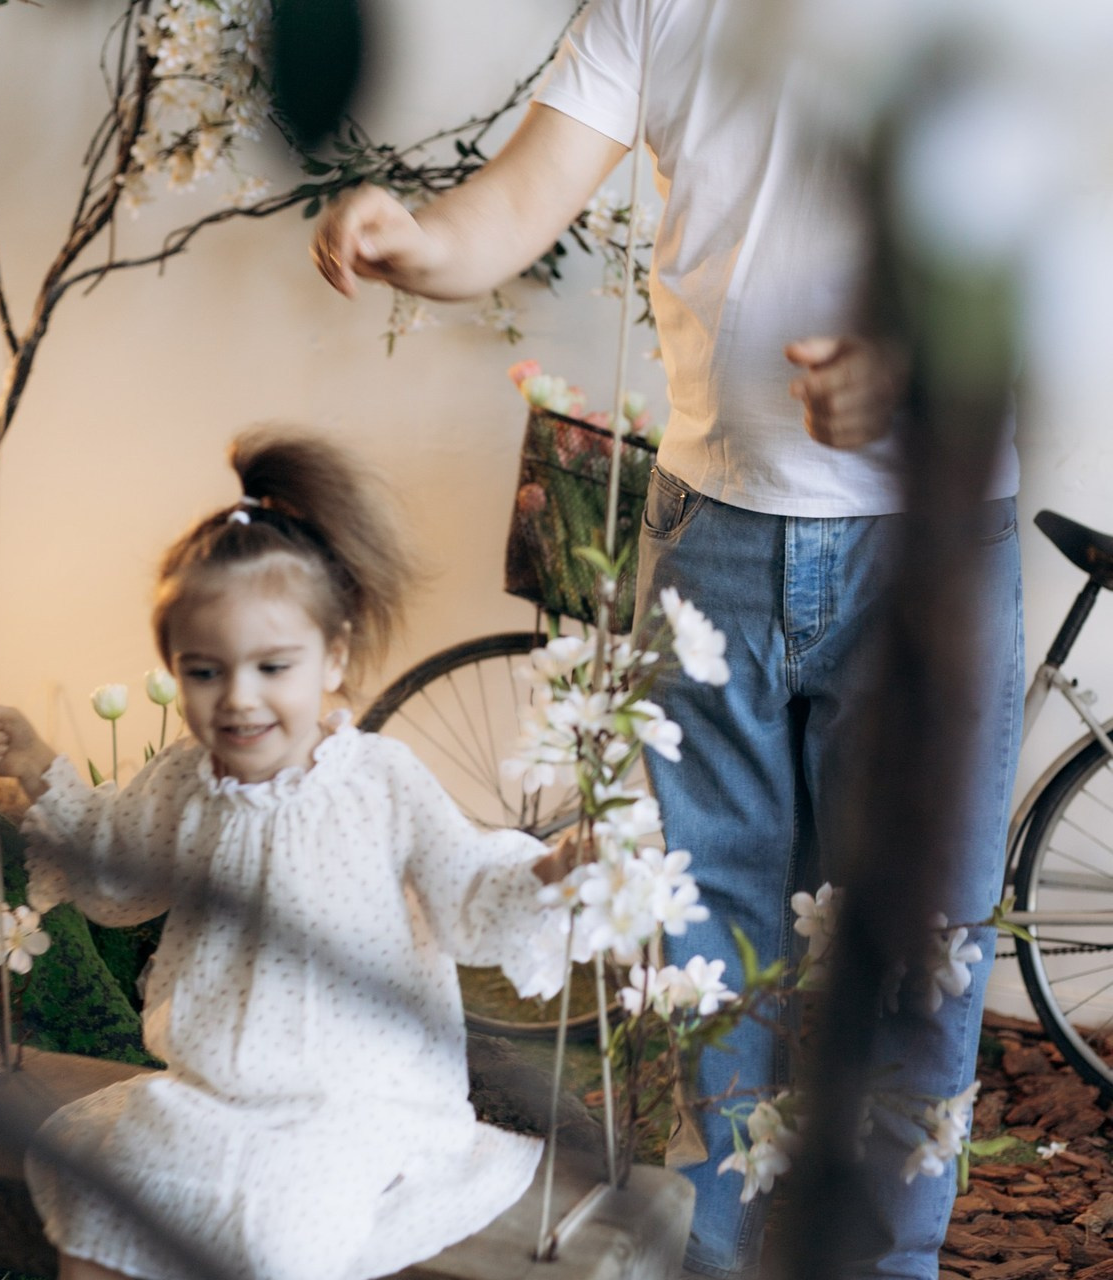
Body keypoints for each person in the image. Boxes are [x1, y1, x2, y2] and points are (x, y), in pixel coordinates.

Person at [311, 3, 1023, 1279]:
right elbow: (518, 198)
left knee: (922, 948)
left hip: (928, 544)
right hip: (710, 543)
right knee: (700, 940)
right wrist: (419, 240)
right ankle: (722, 1254)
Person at [0, 432, 568, 1280]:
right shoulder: (186, 780)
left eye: (272, 666)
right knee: (107, 1195)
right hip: (210, 1093)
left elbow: (468, 895)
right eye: (205, 671)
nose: (239, 698)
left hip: (357, 1101)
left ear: (335, 655)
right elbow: (112, 860)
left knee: (278, 1236)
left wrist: (544, 878)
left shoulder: (381, 783)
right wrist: (35, 762)